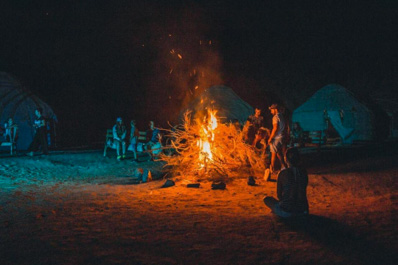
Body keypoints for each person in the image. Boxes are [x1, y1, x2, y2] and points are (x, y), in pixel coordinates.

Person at [263, 147, 309, 218]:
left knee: (266, 199)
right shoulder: (303, 172)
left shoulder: (282, 173)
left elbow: (279, 195)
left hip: (287, 211)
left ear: (286, 159)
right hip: (303, 211)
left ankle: (281, 212)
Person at [267, 103, 287, 177]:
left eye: (271, 110)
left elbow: (275, 128)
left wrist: (270, 138)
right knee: (279, 153)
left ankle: (272, 169)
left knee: (273, 154)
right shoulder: (281, 116)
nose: (271, 111)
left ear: (275, 109)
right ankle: (284, 166)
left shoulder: (275, 117)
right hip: (282, 137)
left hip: (277, 138)